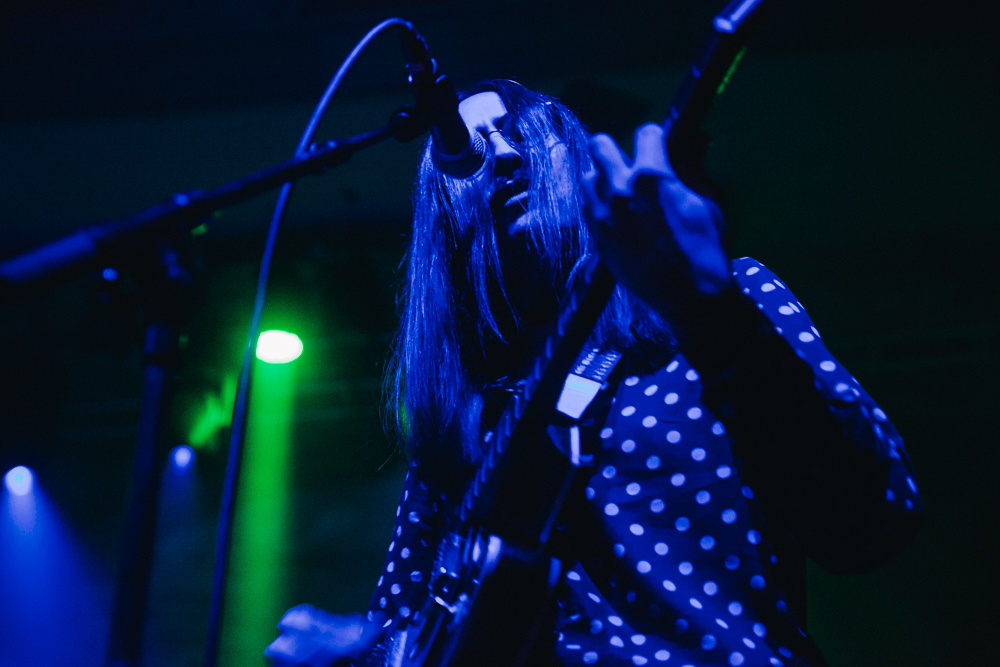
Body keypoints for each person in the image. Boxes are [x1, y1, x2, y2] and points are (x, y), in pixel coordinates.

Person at [272, 80, 923, 667]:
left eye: (520, 133)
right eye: (467, 154)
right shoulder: (458, 428)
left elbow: (873, 517)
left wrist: (713, 317)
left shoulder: (719, 302)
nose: (500, 157)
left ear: (576, 158)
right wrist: (367, 650)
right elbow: (409, 632)